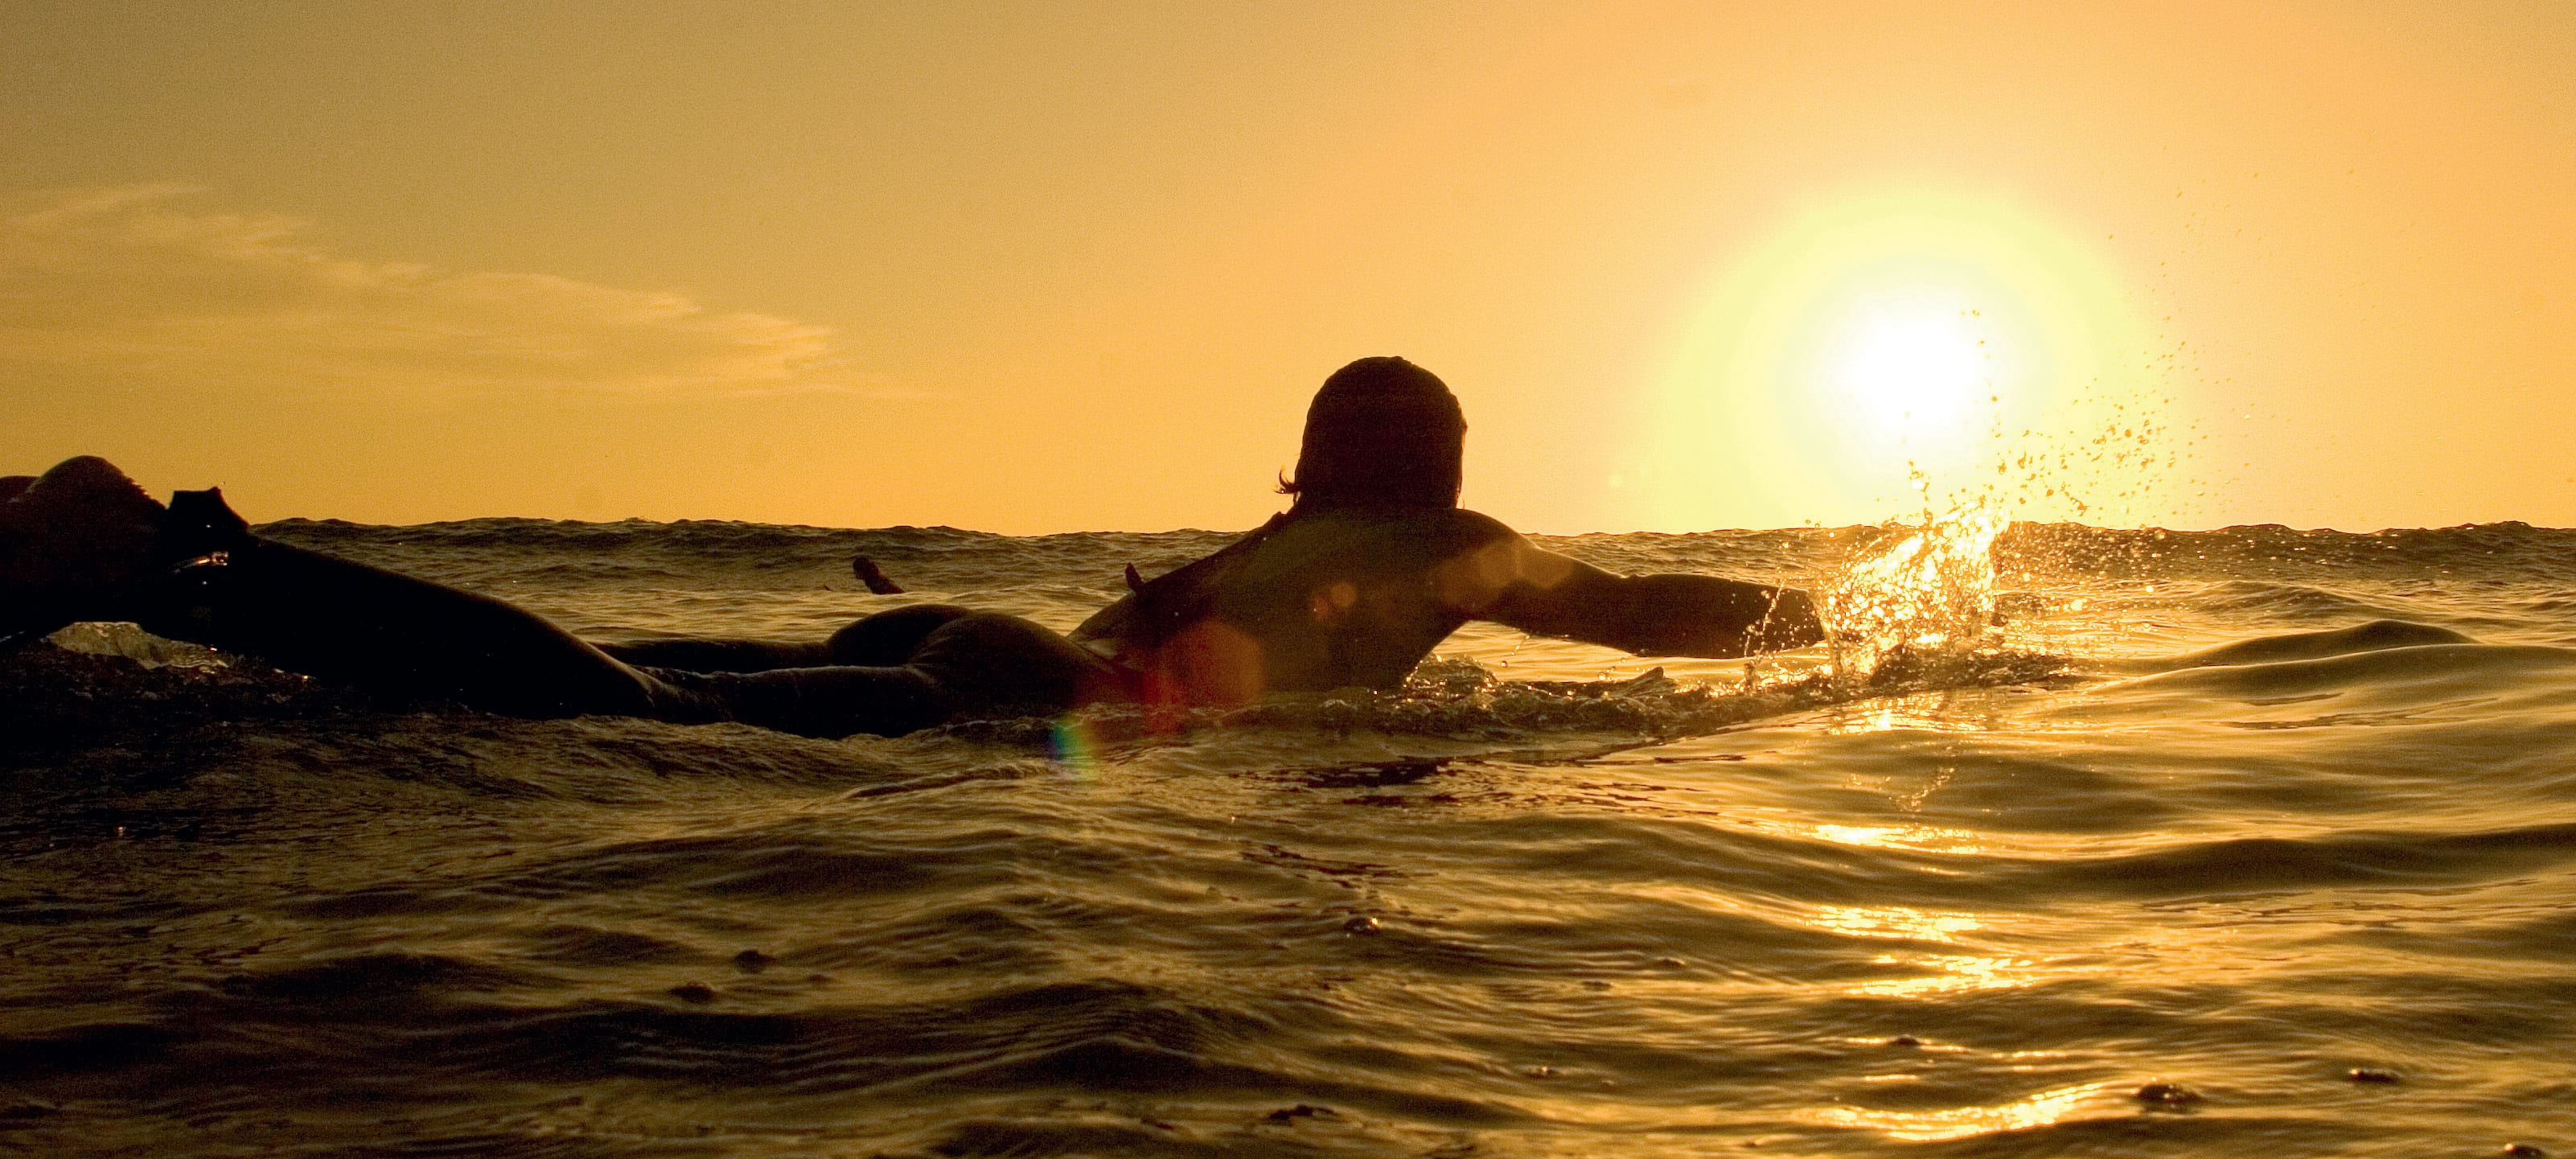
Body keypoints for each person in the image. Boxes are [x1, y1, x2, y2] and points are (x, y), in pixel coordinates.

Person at [1, 357, 1822, 737]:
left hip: (999, 632)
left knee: (687, 676)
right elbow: (1649, 609)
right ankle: (179, 567)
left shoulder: (1241, 555)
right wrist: (1851, 622)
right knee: (636, 704)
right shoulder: (1453, 544)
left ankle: (214, 579)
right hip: (1020, 682)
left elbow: (1139, 632)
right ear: (1443, 466)